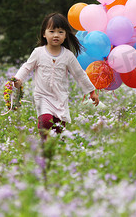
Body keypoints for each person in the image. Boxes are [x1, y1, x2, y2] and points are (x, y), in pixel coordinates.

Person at [14, 12, 99, 140]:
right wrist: (18, 79)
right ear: (44, 33)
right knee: (46, 121)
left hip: (60, 98)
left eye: (60, 32)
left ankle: (57, 152)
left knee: (59, 130)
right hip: (42, 96)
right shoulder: (38, 52)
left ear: (65, 35)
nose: (56, 35)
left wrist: (91, 91)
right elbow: (27, 67)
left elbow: (79, 74)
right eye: (52, 31)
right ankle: (44, 144)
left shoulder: (68, 55)